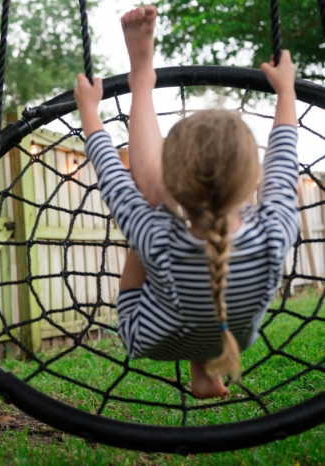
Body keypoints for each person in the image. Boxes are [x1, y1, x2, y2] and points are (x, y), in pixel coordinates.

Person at [74, 5, 299, 399]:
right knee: (153, 222)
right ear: (254, 178)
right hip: (232, 339)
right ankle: (205, 369)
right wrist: (287, 89)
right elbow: (284, 156)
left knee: (148, 202)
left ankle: (141, 80)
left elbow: (113, 175)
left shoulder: (159, 238)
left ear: (174, 175)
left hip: (149, 337)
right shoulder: (274, 231)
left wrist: (90, 110)